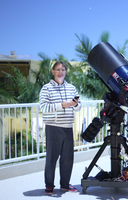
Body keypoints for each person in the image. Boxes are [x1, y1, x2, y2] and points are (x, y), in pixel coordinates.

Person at [39, 61, 82, 195]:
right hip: (53, 127)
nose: (60, 72)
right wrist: (62, 105)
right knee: (52, 158)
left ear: (65, 72)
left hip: (68, 127)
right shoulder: (46, 88)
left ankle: (65, 185)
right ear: (53, 72)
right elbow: (44, 108)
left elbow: (79, 106)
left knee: (67, 159)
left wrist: (74, 105)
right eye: (58, 69)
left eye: (63, 69)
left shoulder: (71, 88)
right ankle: (49, 186)